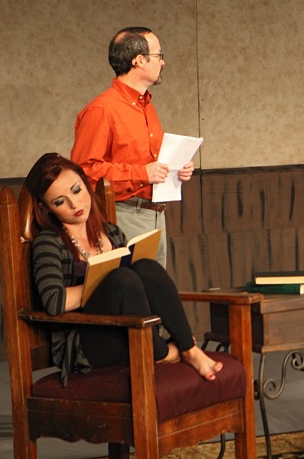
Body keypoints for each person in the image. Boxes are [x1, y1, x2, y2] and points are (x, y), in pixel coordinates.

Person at [25, 153, 223, 384]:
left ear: (85, 184)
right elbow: (53, 301)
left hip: (129, 332)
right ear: (46, 208)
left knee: (146, 267)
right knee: (121, 278)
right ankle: (161, 353)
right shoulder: (49, 242)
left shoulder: (110, 232)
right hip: (88, 346)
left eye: (77, 190)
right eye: (60, 202)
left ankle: (188, 349)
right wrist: (103, 280)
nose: (74, 204)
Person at [71, 27, 194, 268]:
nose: (163, 62)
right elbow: (84, 172)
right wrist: (142, 173)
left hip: (156, 213)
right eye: (158, 55)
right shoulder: (102, 110)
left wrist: (175, 169)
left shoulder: (147, 106)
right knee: (133, 288)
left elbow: (148, 163)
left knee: (154, 288)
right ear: (139, 60)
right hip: (124, 215)